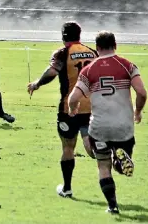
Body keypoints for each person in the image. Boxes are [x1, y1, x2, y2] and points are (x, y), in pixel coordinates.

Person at [68, 31, 147, 214]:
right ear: (115, 45)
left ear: (97, 48)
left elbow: (74, 98)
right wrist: (138, 111)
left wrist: (73, 110)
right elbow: (142, 93)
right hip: (123, 126)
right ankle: (120, 160)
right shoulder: (127, 65)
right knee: (121, 163)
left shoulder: (88, 70)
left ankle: (112, 206)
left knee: (103, 166)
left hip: (99, 127)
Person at [27, 21, 97, 198]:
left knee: (68, 147)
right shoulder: (92, 52)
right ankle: (108, 152)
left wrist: (37, 84)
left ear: (63, 36)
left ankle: (67, 189)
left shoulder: (62, 53)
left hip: (69, 108)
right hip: (91, 106)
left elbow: (52, 72)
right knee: (89, 143)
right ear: (79, 35)